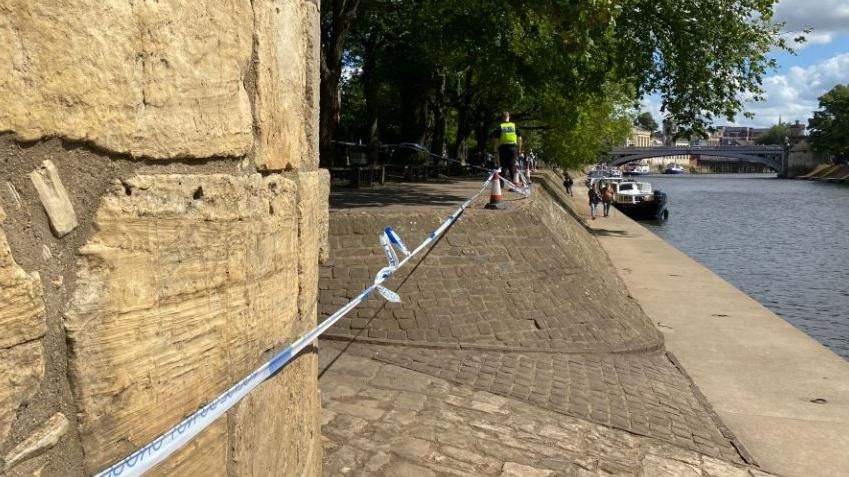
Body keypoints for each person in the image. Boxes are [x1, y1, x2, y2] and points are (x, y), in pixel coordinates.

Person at [491, 112, 522, 184]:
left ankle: (501, 185)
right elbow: (520, 139)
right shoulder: (514, 126)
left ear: (502, 118)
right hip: (512, 147)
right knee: (512, 166)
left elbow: (496, 140)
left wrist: (495, 151)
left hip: (503, 148)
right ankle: (515, 184)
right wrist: (519, 150)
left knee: (503, 166)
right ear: (509, 117)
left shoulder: (500, 126)